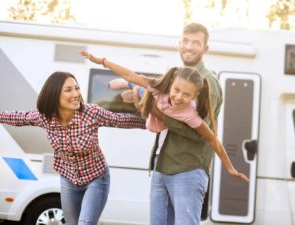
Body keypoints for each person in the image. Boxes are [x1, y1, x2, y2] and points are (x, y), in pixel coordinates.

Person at [81, 23, 248, 225]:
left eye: (196, 42)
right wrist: (104, 63)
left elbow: (199, 133)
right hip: (163, 165)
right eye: (185, 40)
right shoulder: (175, 77)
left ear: (205, 49)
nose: (188, 46)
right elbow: (137, 79)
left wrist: (152, 109)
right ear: (179, 44)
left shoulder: (207, 82)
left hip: (187, 168)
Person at [0, 71, 145, 225]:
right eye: (69, 90)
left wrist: (150, 123)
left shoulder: (91, 113)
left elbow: (120, 120)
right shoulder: (45, 118)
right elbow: (21, 117)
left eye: (76, 88)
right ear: (55, 94)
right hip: (69, 180)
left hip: (96, 178)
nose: (76, 94)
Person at [81, 51, 247, 181]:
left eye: (186, 95)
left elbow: (212, 139)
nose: (179, 97)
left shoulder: (190, 114)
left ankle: (136, 94)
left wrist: (229, 167)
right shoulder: (160, 88)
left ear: (194, 97)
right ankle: (133, 89)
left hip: (162, 115)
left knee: (152, 126)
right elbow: (130, 74)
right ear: (171, 86)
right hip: (156, 97)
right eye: (176, 90)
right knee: (140, 85)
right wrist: (102, 61)